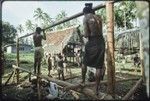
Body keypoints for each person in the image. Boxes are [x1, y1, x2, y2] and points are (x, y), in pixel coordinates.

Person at [81, 3, 105, 96]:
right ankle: (96, 89)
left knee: (84, 62)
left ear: (84, 13)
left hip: (92, 42)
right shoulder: (99, 17)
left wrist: (82, 35)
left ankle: (83, 81)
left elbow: (87, 34)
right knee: (99, 67)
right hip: (101, 41)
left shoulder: (86, 17)